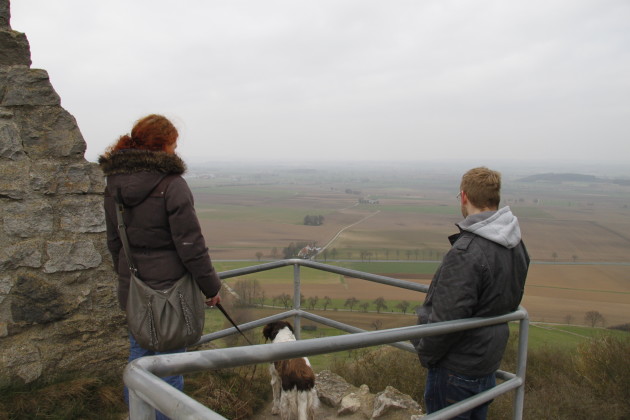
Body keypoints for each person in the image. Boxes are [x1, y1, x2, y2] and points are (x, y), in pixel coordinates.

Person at [99, 114, 222, 420]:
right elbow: (191, 245)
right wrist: (211, 288)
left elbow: (114, 242)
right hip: (171, 290)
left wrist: (128, 278)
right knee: (169, 365)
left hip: (134, 287)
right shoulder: (172, 184)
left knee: (139, 361)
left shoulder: (113, 183)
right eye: (173, 144)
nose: (175, 150)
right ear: (163, 145)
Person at [413, 167, 529, 419]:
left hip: (456, 367)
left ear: (464, 197)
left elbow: (447, 320)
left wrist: (425, 354)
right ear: (495, 198)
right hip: (486, 360)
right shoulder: (516, 243)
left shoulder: (467, 252)